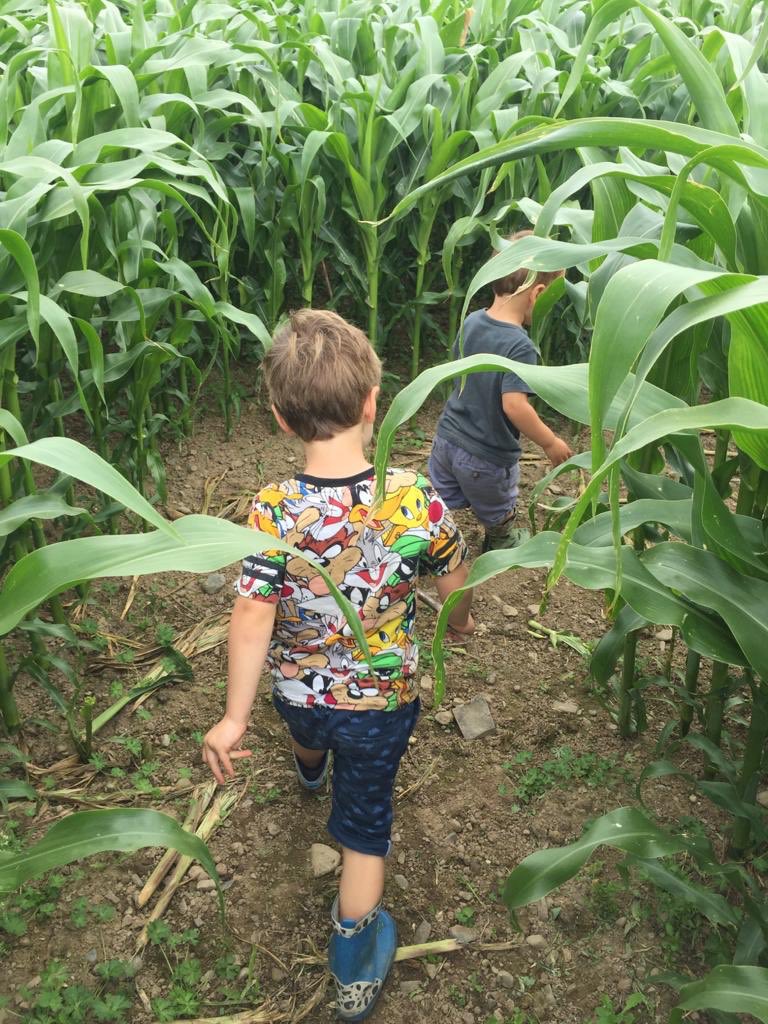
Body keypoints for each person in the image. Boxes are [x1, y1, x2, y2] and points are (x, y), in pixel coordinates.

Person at [202, 309, 474, 1022]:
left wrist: (234, 717)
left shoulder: (269, 512)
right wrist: (460, 618)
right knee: (362, 827)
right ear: (372, 403)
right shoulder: (412, 499)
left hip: (298, 692)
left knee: (307, 730)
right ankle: (353, 957)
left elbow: (253, 615)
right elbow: (452, 577)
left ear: (280, 419)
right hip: (381, 706)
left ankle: (307, 767)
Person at [429, 230, 573, 552]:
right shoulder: (520, 346)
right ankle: (499, 539)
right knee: (498, 509)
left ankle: (434, 543)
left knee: (441, 502)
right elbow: (514, 406)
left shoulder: (472, 321)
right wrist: (550, 442)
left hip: (447, 440)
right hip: (487, 457)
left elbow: (457, 367)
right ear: (537, 294)